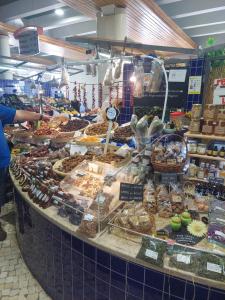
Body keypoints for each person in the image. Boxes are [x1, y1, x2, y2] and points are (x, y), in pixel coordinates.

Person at [0, 104, 50, 241]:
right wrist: (42, 116)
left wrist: (41, 117)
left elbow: (19, 114)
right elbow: (19, 115)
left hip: (2, 163)